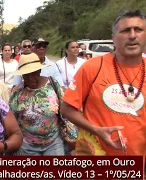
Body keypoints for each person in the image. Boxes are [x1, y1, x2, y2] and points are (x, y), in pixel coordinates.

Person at [60, 9, 146, 156]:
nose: (132, 36)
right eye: (125, 31)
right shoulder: (93, 67)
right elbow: (67, 108)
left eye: (138, 30)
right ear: (113, 38)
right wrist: (96, 130)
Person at [10, 53, 65, 155]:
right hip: (27, 146)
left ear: (39, 71)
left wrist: (71, 134)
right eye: (26, 75)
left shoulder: (52, 85)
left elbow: (65, 109)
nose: (31, 78)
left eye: (34, 73)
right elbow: (12, 119)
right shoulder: (17, 92)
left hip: (53, 143)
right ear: (22, 75)